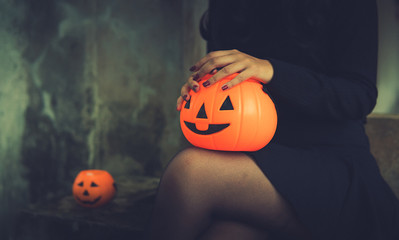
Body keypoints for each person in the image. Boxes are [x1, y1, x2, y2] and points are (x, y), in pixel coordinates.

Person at [149, 0, 399, 239]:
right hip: (252, 159)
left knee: (190, 172)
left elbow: (358, 96)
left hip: (330, 162)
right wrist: (203, 88)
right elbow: (221, 76)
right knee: (227, 234)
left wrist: (271, 71)